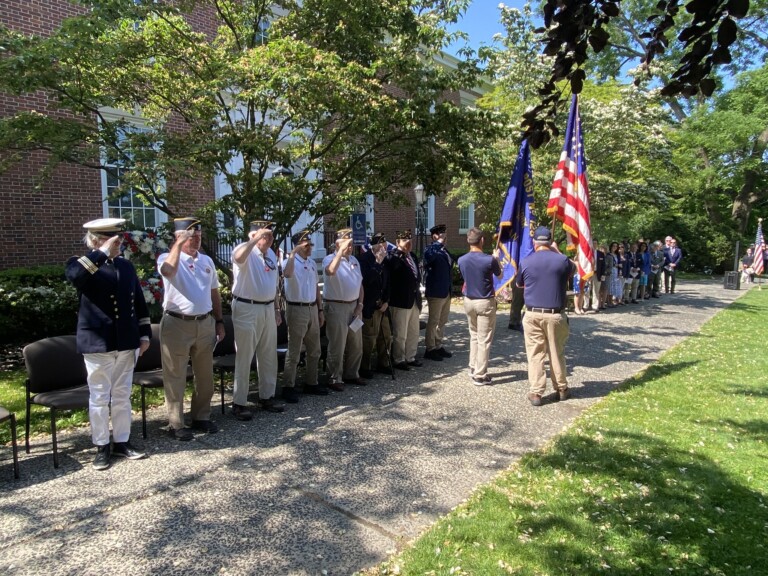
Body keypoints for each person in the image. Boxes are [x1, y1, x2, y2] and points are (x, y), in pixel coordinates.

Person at [65, 218, 151, 470]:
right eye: (112, 240)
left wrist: (144, 334)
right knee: (100, 396)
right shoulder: (81, 264)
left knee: (122, 394)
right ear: (96, 241)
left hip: (126, 340)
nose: (118, 243)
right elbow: (75, 277)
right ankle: (101, 445)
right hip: (97, 341)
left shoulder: (125, 266)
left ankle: (122, 441)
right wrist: (100, 253)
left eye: (118, 239)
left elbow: (138, 302)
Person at [157, 217, 225, 440]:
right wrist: (178, 245)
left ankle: (201, 416)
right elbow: (167, 271)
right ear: (178, 237)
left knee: (205, 375)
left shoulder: (206, 261)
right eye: (190, 235)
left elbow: (214, 292)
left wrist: (219, 320)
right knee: (175, 375)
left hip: (204, 323)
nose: (196, 239)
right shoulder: (167, 257)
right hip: (177, 324)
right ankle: (176, 423)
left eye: (198, 235)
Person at [230, 220, 284, 419]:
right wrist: (254, 241)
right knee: (244, 356)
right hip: (247, 307)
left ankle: (267, 396)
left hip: (268, 307)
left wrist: (277, 307)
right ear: (253, 236)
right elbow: (238, 257)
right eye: (264, 235)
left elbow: (274, 284)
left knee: (268, 354)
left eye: (270, 235)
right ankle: (239, 402)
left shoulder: (270, 254)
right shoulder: (244, 250)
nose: (268, 238)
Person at [516, 226, 576, 406]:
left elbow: (519, 285)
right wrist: (557, 251)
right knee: (556, 352)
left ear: (535, 243)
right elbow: (574, 269)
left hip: (532, 313)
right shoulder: (562, 260)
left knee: (535, 354)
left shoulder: (526, 261)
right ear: (550, 242)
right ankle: (562, 388)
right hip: (555, 314)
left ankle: (536, 392)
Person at [281, 229, 328, 401]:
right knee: (294, 350)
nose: (309, 248)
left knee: (314, 349)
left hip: (312, 308)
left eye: (310, 245)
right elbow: (286, 274)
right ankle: (288, 385)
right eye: (306, 245)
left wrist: (320, 309)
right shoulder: (289, 261)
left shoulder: (312, 263)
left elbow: (316, 287)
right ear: (297, 246)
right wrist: (293, 253)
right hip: (296, 308)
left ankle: (311, 382)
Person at [457, 227, 502, 385]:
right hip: (484, 301)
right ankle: (480, 374)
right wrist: (496, 259)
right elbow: (500, 275)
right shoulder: (489, 260)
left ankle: (472, 366)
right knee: (484, 339)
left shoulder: (461, 260)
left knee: (474, 335)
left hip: (468, 300)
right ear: (481, 240)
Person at [323, 228, 365, 390]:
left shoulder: (354, 259)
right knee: (337, 344)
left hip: (354, 306)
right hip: (336, 306)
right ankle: (334, 378)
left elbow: (360, 284)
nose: (350, 247)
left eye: (351, 244)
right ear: (337, 244)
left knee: (356, 343)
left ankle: (352, 374)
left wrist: (360, 304)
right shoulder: (329, 259)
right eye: (347, 244)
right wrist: (340, 252)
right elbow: (330, 271)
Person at [386, 230, 423, 370]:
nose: (408, 243)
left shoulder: (412, 256)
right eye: (405, 241)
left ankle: (410, 356)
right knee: (400, 333)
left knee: (414, 331)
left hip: (413, 299)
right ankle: (399, 359)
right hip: (400, 300)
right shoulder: (393, 258)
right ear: (397, 243)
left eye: (410, 241)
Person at [358, 232, 392, 378]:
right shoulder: (365, 260)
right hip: (370, 306)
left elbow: (389, 282)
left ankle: (383, 363)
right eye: (380, 245)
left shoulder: (386, 260)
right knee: (369, 338)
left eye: (384, 245)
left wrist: (387, 301)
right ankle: (365, 367)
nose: (383, 248)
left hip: (382, 305)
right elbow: (366, 281)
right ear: (374, 246)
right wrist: (377, 263)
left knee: (386, 336)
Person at [422, 224, 454, 361]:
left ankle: (438, 344)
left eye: (444, 234)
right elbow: (428, 258)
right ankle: (430, 348)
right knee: (433, 321)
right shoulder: (430, 249)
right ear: (434, 236)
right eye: (441, 234)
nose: (444, 237)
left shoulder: (444, 250)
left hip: (446, 291)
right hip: (435, 292)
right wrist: (438, 243)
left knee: (442, 320)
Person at [589, 240, 606, 312]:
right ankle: (585, 306)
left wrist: (603, 274)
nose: (594, 244)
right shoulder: (587, 252)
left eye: (595, 243)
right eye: (593, 243)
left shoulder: (601, 254)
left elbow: (603, 265)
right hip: (589, 273)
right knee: (587, 290)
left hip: (598, 274)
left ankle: (595, 306)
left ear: (597, 244)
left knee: (596, 290)